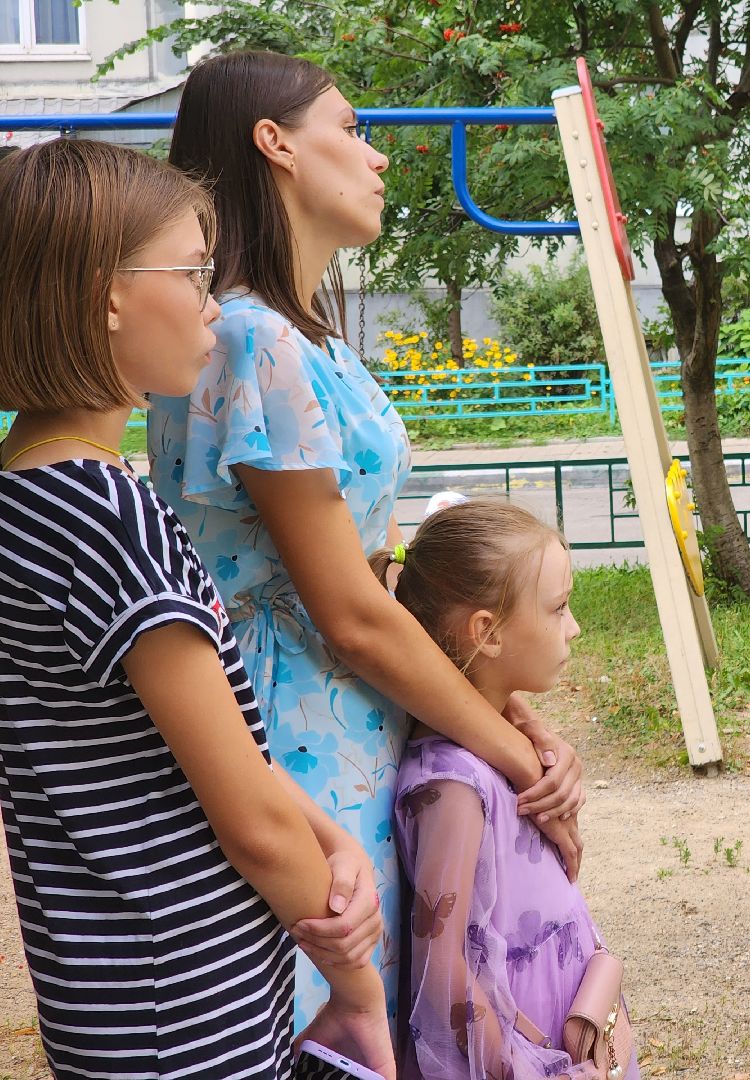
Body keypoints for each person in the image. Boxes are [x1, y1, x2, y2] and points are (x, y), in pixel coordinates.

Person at [148, 50, 586, 1029]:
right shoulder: (250, 340)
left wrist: (508, 714)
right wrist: (518, 766)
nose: (375, 155)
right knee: (328, 1027)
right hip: (289, 736)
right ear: (277, 146)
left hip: (352, 729)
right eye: (350, 129)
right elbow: (349, 615)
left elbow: (377, 584)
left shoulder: (311, 344)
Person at [0, 139, 393, 1076]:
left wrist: (326, 830)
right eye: (192, 272)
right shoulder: (110, 518)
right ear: (106, 295)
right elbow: (250, 822)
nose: (214, 305)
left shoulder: (23, 495)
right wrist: (356, 986)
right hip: (192, 1002)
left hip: (102, 992)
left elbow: (165, 756)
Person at [373, 500, 639, 1079]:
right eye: (559, 608)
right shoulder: (454, 786)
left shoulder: (504, 751)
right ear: (486, 633)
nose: (575, 626)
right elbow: (446, 979)